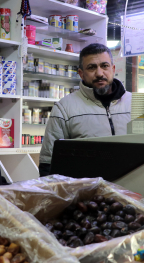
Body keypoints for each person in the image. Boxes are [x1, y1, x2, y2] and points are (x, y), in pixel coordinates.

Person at [39, 43, 132, 176]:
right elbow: (48, 164)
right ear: (81, 74)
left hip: (132, 189)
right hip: (87, 193)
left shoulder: (135, 103)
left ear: (113, 68)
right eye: (91, 68)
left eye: (104, 66)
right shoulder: (64, 108)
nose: (99, 73)